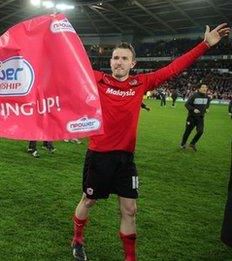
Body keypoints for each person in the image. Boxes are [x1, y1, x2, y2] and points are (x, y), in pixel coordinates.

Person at [71, 24, 229, 261]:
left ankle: (130, 258)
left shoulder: (141, 83)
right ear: (110, 61)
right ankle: (77, 240)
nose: (118, 62)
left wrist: (204, 45)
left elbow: (174, 68)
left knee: (130, 210)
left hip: (126, 159)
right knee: (89, 200)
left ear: (132, 64)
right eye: (115, 58)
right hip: (99, 155)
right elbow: (69, 64)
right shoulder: (97, 80)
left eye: (124, 58)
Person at [180, 84, 210, 151]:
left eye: (206, 87)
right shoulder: (194, 95)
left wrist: (206, 109)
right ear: (199, 88)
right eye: (203, 87)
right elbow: (187, 104)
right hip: (192, 117)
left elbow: (207, 105)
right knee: (188, 131)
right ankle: (183, 144)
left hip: (200, 118)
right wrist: (193, 109)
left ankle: (192, 143)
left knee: (200, 131)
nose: (204, 88)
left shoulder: (207, 97)